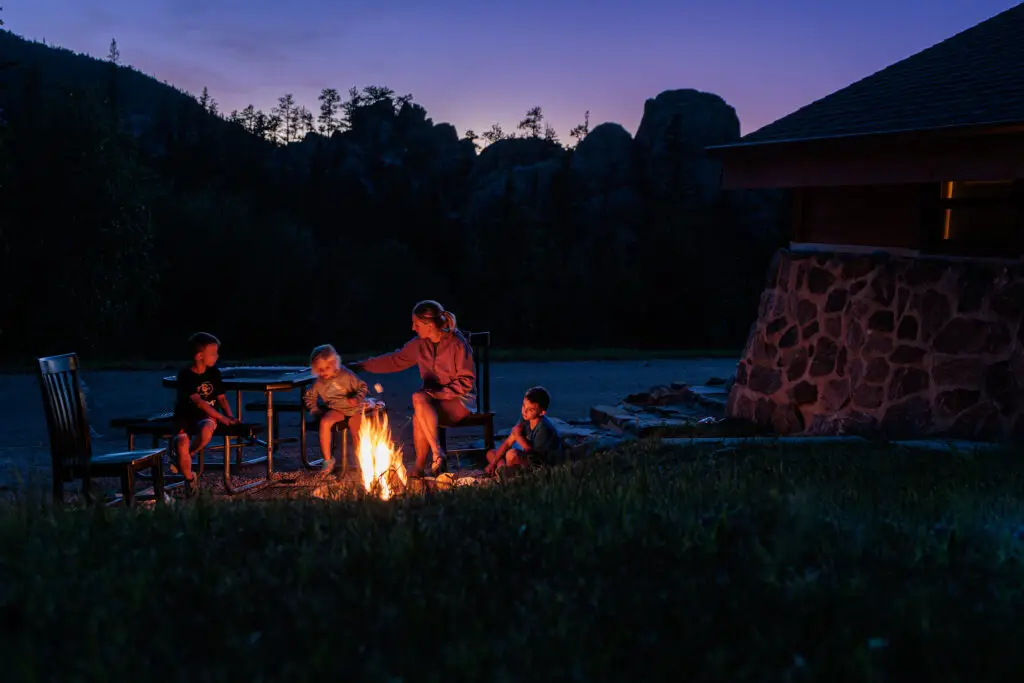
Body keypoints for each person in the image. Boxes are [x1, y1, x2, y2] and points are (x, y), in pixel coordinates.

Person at [349, 300, 475, 478]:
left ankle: (420, 465)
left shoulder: (457, 343)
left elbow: (466, 381)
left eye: (416, 324)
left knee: (419, 410)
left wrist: (440, 393)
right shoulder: (419, 344)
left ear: (429, 325)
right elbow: (394, 360)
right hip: (431, 400)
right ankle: (436, 453)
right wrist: (361, 365)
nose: (413, 328)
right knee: (420, 402)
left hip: (460, 399)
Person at [172, 332, 239, 496]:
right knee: (181, 443)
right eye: (213, 353)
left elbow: (221, 398)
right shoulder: (185, 375)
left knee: (206, 430)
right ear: (199, 356)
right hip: (185, 416)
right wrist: (221, 417)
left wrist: (230, 416)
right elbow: (199, 402)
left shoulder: (214, 373)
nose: (217, 356)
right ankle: (189, 479)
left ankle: (190, 453)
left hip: (206, 417)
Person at [303, 344, 369, 474]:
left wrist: (356, 398)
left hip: (354, 408)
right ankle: (327, 460)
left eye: (327, 368)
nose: (323, 372)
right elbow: (308, 397)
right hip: (337, 409)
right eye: (320, 369)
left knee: (356, 428)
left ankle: (362, 459)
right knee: (325, 422)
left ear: (334, 364)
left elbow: (363, 387)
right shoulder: (318, 382)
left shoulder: (346, 375)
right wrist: (314, 409)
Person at [485, 386, 562, 476]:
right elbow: (508, 442)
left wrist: (519, 437)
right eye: (524, 406)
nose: (525, 411)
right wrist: (492, 464)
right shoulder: (526, 418)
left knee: (512, 454)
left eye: (531, 409)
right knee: (491, 453)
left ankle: (505, 472)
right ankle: (501, 469)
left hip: (542, 464)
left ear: (541, 412)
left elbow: (534, 456)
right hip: (527, 458)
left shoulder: (544, 428)